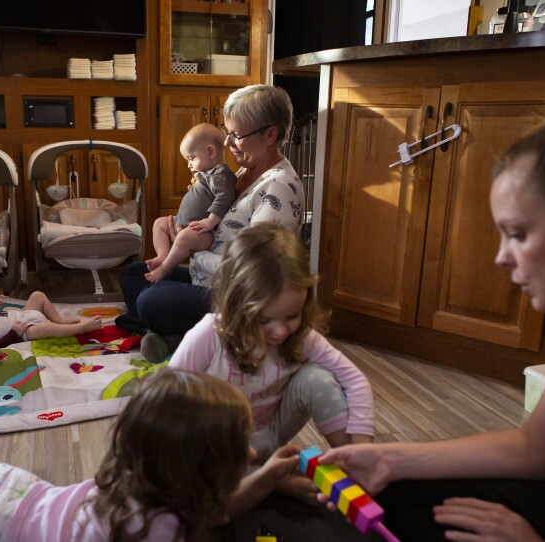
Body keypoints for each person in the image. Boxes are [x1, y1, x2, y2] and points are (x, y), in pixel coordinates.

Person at [320, 62, 545, 541]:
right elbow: (537, 448)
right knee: (388, 495)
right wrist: (390, 458)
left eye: (518, 234)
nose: (501, 258)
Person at [0, 369, 303, 542]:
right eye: (237, 443)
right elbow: (213, 514)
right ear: (192, 468)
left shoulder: (139, 480)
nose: (249, 450)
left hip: (3, 486)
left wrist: (264, 478)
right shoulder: (157, 527)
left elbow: (214, 509)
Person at [170, 222, 375, 500]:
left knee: (317, 379)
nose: (280, 332)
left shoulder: (302, 337)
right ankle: (272, 481)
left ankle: (351, 467)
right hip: (219, 447)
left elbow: (354, 380)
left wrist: (362, 451)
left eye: (292, 316)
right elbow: (166, 398)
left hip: (271, 432)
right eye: (264, 320)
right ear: (234, 305)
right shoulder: (209, 335)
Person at [118, 84, 304, 364]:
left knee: (150, 300)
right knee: (133, 274)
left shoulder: (278, 188)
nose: (227, 144)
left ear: (270, 134)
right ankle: (181, 337)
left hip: (238, 298)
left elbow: (248, 273)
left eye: (236, 135)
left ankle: (185, 336)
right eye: (227, 132)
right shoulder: (247, 170)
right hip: (208, 277)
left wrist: (194, 252)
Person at [144, 123, 236, 283]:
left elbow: (224, 198)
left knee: (184, 237)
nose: (189, 164)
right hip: (185, 225)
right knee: (160, 223)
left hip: (203, 232)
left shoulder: (221, 174)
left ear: (210, 151)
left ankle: (166, 268)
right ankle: (163, 255)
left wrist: (210, 221)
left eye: (191, 158)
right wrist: (196, 188)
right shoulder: (208, 174)